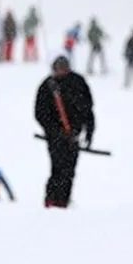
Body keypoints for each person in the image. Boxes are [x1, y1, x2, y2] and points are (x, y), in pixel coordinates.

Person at [34, 56, 94, 209]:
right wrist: (55, 131)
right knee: (57, 169)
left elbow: (87, 109)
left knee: (70, 171)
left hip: (74, 136)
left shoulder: (78, 82)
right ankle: (51, 200)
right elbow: (40, 113)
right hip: (55, 138)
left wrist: (88, 133)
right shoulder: (47, 86)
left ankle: (64, 201)